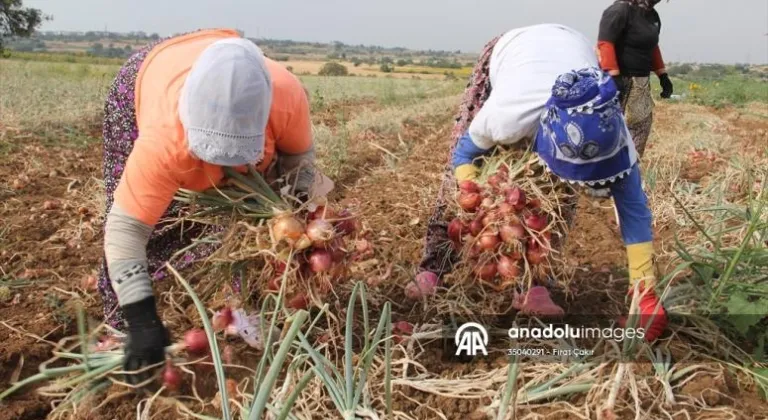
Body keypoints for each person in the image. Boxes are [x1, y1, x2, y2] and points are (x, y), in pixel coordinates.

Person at [98, 28, 330, 384]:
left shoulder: (285, 97)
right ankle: (122, 328)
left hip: (224, 73)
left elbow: (300, 164)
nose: (222, 172)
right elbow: (126, 229)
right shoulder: (163, 138)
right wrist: (141, 317)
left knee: (246, 220)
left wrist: (296, 212)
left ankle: (241, 308)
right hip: (146, 80)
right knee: (153, 220)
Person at [413, 24, 668, 342]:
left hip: (574, 52)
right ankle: (433, 267)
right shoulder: (507, 116)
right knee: (463, 181)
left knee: (557, 193)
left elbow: (634, 209)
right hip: (512, 50)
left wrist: (643, 289)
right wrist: (478, 201)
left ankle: (534, 284)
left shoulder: (612, 135)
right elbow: (464, 156)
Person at [598, 0, 673, 158]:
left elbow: (652, 46)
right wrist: (614, 76)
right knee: (609, 129)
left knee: (640, 126)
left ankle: (630, 169)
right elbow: (605, 43)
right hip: (618, 81)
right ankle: (602, 173)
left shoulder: (652, 15)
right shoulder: (620, 11)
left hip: (640, 84)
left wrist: (663, 75)